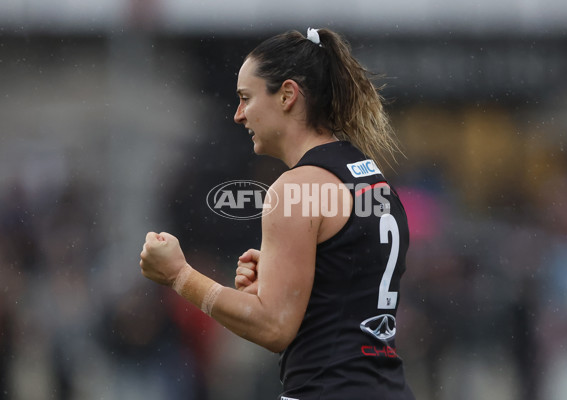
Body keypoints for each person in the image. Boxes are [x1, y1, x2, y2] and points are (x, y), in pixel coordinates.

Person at [140, 28, 415, 400]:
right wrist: (284, 279)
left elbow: (274, 328)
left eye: (245, 98)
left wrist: (179, 276)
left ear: (287, 95)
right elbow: (348, 291)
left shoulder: (295, 188)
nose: (238, 115)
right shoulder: (370, 177)